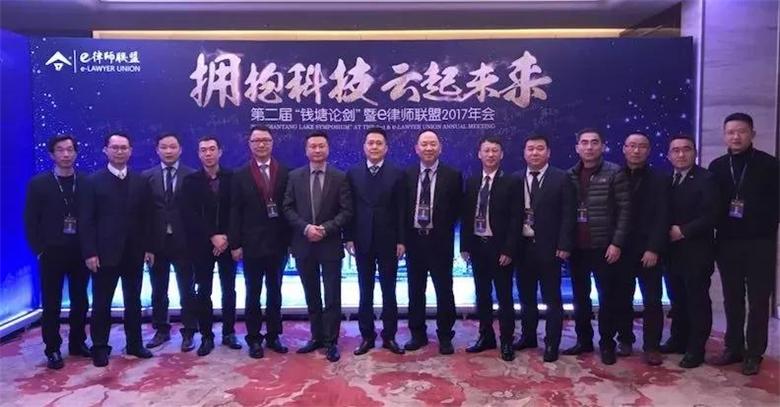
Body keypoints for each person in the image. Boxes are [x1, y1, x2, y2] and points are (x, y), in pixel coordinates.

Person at [708, 113, 779, 375]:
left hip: (760, 243)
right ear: (724, 135)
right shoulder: (717, 166)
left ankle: (754, 353)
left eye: (742, 131)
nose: (736, 137)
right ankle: (733, 347)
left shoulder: (770, 165)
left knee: (759, 301)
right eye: (731, 132)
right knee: (732, 299)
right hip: (728, 243)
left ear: (752, 134)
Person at [80, 132, 154, 367]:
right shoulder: (92, 182)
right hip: (104, 254)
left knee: (134, 301)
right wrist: (90, 252)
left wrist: (149, 247)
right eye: (115, 147)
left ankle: (135, 344)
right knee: (102, 303)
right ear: (106, 150)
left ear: (131, 151)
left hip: (134, 252)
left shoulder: (141, 181)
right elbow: (86, 220)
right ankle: (100, 347)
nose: (120, 151)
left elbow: (147, 218)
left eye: (124, 147)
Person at [283, 131, 353, 362]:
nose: (317, 150)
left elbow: (346, 211)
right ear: (306, 150)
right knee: (311, 293)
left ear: (328, 149)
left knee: (332, 295)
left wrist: (325, 228)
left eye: (321, 146)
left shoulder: (340, 177)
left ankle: (331, 341)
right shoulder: (294, 176)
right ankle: (316, 337)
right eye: (312, 146)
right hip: (303, 243)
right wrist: (305, 228)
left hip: (329, 243)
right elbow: (287, 208)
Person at [23, 134, 91, 369]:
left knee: (80, 300)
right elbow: (30, 220)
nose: (66, 154)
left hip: (80, 250)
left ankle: (77, 342)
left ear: (76, 153)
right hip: (51, 252)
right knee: (52, 303)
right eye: (60, 150)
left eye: (70, 150)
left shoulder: (85, 182)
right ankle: (52, 348)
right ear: (52, 155)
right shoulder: (39, 184)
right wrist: (39, 250)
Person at [565, 128, 631, 365]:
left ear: (602, 146)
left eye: (594, 142)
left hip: (605, 247)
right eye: (584, 143)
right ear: (577, 148)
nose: (589, 147)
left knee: (607, 298)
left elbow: (625, 211)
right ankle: (583, 340)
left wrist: (616, 243)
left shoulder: (615, 172)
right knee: (580, 297)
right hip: (577, 248)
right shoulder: (570, 175)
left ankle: (607, 343)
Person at [230, 126, 292, 359]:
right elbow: (234, 211)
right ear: (250, 144)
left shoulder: (285, 172)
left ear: (272, 143)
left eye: (265, 140)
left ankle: (274, 335)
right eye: (256, 141)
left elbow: (289, 209)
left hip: (278, 243)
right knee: (253, 292)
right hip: (251, 244)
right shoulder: (240, 174)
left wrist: (291, 242)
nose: (261, 144)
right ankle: (254, 338)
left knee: (275, 291)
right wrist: (235, 244)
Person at [514, 134, 576, 363]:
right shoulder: (515, 178)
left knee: (552, 298)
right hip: (522, 248)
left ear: (548, 152)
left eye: (540, 148)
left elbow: (569, 214)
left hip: (550, 249)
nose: (535, 153)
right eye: (530, 148)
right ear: (524, 152)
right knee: (526, 296)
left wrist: (564, 244)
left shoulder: (562, 178)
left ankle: (552, 343)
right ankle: (528, 336)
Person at [345, 127, 406, 356]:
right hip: (362, 240)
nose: (374, 147)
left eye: (379, 143)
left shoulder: (397, 174)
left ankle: (389, 336)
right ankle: (367, 337)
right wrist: (348, 237)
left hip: (389, 241)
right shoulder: (353, 173)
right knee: (365, 290)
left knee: (389, 291)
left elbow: (401, 210)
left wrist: (401, 240)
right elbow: (349, 209)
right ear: (364, 147)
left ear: (386, 148)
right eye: (370, 143)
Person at [180, 136, 242, 356]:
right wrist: (212, 236)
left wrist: (227, 237)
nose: (208, 153)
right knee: (203, 290)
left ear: (220, 152)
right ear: (198, 154)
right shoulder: (190, 181)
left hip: (228, 243)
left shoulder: (233, 178)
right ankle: (206, 335)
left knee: (229, 289)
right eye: (203, 150)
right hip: (201, 245)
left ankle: (229, 332)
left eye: (212, 149)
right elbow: (189, 214)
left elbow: (238, 210)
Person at [460, 135, 519, 361]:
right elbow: (467, 216)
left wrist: (509, 250)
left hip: (500, 249)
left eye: (495, 150)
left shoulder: (511, 182)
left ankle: (507, 340)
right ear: (479, 154)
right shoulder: (473, 181)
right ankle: (486, 337)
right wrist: (465, 245)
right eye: (487, 150)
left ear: (501, 154)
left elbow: (516, 219)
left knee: (504, 297)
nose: (491, 154)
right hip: (478, 247)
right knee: (482, 296)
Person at [403, 129, 463, 355]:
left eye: (433, 144)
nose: (428, 148)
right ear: (416, 149)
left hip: (440, 243)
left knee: (444, 290)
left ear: (440, 148)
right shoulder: (407, 175)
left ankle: (445, 335)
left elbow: (458, 209)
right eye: (424, 144)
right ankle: (417, 334)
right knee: (415, 290)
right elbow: (402, 210)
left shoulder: (452, 175)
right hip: (414, 241)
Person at [663, 134, 719, 369]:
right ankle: (678, 339)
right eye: (675, 150)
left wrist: (683, 231)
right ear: (668, 155)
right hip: (671, 252)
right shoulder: (667, 180)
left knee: (697, 301)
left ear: (694, 153)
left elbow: (712, 215)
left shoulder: (707, 179)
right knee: (677, 299)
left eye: (686, 149)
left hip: (697, 251)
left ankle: (696, 348)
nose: (681, 154)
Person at [614, 132, 669, 366]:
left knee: (653, 300)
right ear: (624, 149)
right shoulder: (614, 176)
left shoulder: (660, 179)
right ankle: (625, 340)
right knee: (621, 298)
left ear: (649, 150)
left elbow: (663, 216)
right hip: (621, 249)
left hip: (649, 250)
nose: (636, 151)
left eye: (642, 146)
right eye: (632, 146)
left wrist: (654, 248)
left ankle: (652, 346)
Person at [143, 133, 198, 352]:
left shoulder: (192, 175)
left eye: (172, 147)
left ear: (180, 149)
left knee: (187, 289)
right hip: (157, 243)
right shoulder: (147, 177)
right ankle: (161, 329)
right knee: (158, 289)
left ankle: (189, 330)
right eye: (164, 147)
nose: (168, 151)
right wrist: (147, 246)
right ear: (157, 150)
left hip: (185, 242)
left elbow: (197, 213)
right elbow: (144, 214)